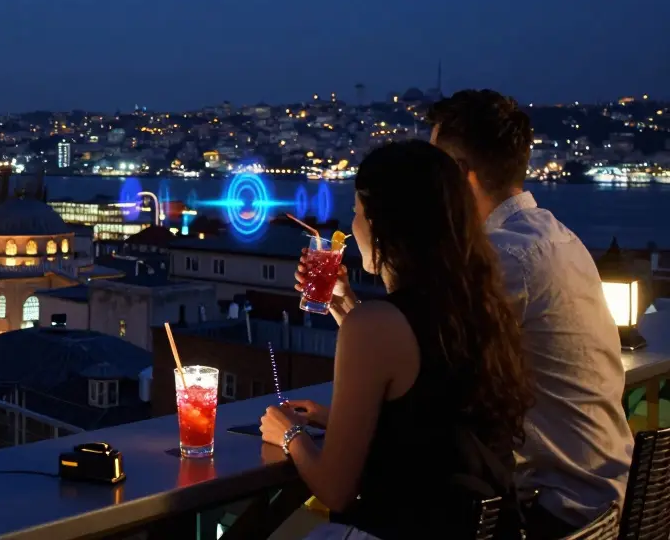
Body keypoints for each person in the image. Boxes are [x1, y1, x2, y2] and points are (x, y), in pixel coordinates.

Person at [263, 140, 534, 540]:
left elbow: (337, 490)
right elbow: (430, 415)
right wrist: (346, 306)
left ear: (381, 223)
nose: (352, 227)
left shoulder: (377, 326)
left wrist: (290, 433)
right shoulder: (481, 308)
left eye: (356, 212)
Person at [426, 89, 632, 537]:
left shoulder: (505, 257)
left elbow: (424, 364)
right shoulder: (560, 238)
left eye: (433, 169)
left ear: (461, 175)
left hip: (560, 512)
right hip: (607, 496)